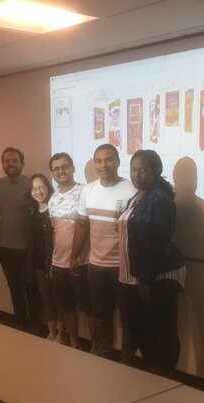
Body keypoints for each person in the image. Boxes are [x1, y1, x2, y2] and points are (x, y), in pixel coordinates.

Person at [118, 149, 185, 373]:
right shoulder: (135, 198)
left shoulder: (160, 200)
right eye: (133, 169)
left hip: (159, 276)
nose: (137, 174)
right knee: (138, 326)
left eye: (143, 170)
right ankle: (154, 369)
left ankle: (164, 376)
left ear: (155, 172)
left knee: (163, 330)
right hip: (135, 275)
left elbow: (160, 245)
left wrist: (146, 280)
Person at [71, 144, 137, 361]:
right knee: (100, 316)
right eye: (99, 160)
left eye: (109, 159)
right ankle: (105, 359)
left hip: (123, 267)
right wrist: (73, 256)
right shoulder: (88, 190)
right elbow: (82, 225)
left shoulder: (131, 190)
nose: (103, 165)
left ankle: (127, 363)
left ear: (118, 162)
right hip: (96, 266)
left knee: (128, 319)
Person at [48, 152, 94, 350]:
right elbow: (54, 232)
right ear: (52, 172)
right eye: (56, 168)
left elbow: (86, 226)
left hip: (81, 263)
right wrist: (52, 261)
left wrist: (74, 257)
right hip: (58, 264)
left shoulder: (85, 192)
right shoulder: (53, 198)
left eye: (64, 166)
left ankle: (95, 348)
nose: (61, 171)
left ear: (73, 168)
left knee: (89, 308)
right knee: (67, 307)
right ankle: (74, 343)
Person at [0, 147, 39, 330]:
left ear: (22, 163)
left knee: (31, 290)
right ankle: (21, 324)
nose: (10, 164)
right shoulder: (0, 184)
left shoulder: (32, 184)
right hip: (5, 248)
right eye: (7, 161)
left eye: (14, 160)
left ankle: (35, 326)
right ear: (3, 164)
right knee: (15, 289)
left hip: (27, 249)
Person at [28, 173, 59, 340]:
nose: (38, 191)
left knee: (59, 300)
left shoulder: (55, 210)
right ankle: (52, 333)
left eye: (41, 187)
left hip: (55, 263)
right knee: (47, 299)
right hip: (39, 263)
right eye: (34, 188)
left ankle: (62, 335)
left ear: (48, 187)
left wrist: (53, 263)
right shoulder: (32, 212)